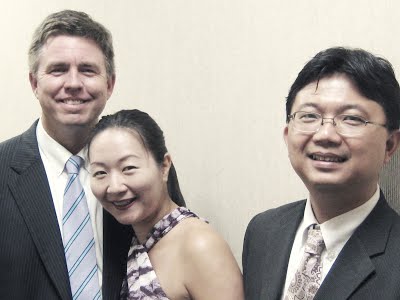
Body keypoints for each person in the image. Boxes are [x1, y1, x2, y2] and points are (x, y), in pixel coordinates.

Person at [242, 47, 400, 300]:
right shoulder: (263, 231)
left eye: (351, 118)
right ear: (287, 134)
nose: (325, 134)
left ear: (390, 145)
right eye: (309, 116)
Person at [0, 10, 132, 300]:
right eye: (58, 69)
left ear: (109, 84)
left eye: (87, 70)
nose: (73, 83)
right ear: (34, 83)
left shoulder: (143, 168)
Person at [87, 109, 244, 300]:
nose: (114, 187)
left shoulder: (199, 245)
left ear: (164, 166)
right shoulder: (129, 242)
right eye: (100, 173)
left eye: (128, 168)